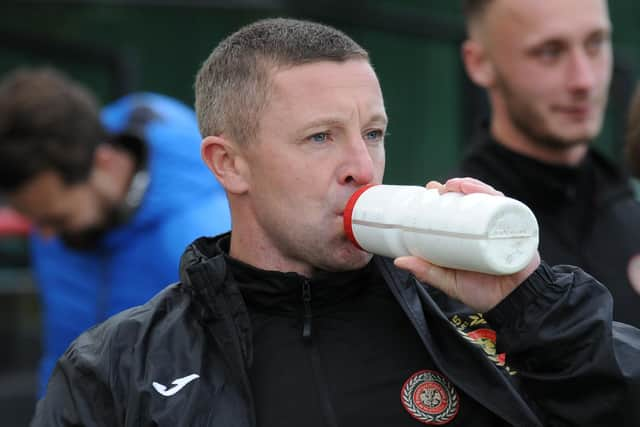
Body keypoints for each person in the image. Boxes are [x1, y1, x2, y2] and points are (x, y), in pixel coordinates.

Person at [32, 18, 640, 427]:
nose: (361, 166)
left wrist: (531, 305)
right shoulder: (118, 366)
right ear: (229, 163)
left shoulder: (472, 315)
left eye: (373, 134)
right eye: (321, 137)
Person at [0, 68, 231, 396]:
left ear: (104, 162)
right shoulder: (58, 227)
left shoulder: (197, 242)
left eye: (59, 218)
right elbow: (62, 358)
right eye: (36, 221)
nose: (46, 237)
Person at [456, 0, 640, 328]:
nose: (583, 80)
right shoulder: (454, 238)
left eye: (596, 43)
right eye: (549, 52)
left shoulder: (630, 217)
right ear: (480, 63)